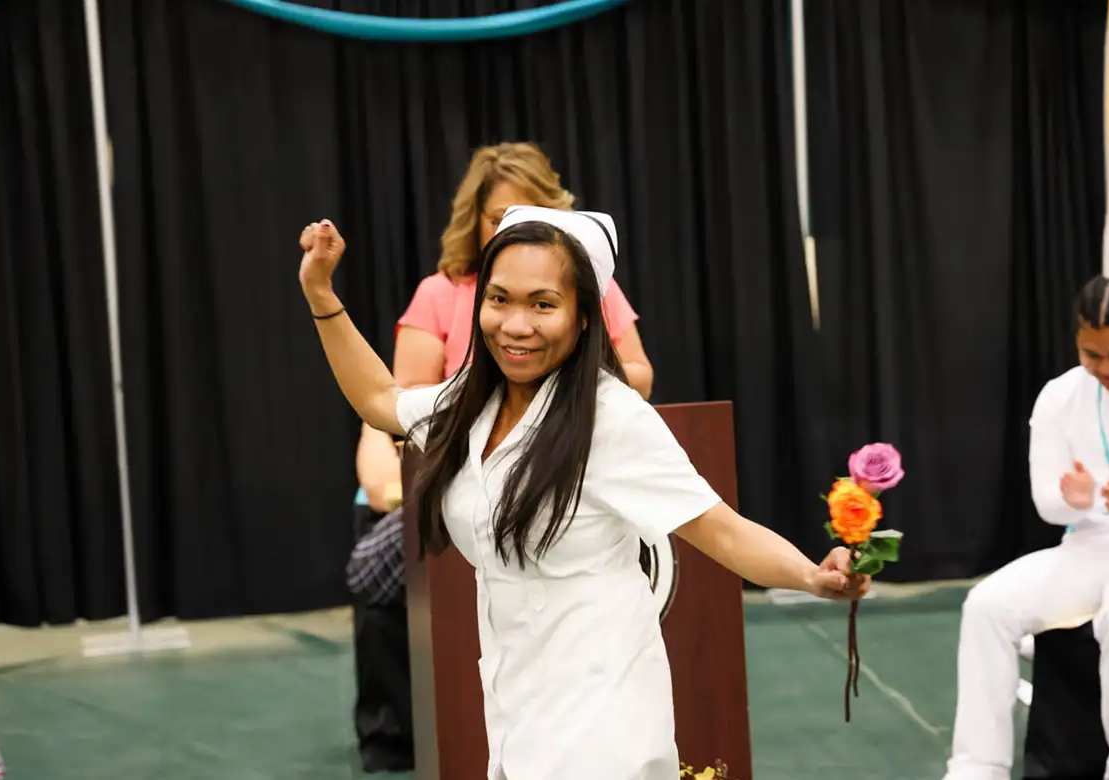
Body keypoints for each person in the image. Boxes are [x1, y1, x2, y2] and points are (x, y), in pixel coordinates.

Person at [298, 207, 868, 780]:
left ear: (584, 318)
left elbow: (719, 528)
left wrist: (812, 576)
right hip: (514, 685)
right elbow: (379, 399)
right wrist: (320, 291)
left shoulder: (612, 418)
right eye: (499, 299)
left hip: (602, 696)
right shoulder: (472, 400)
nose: (515, 324)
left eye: (542, 304)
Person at [354, 141, 652, 515]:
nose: (516, 229)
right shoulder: (438, 293)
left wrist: (556, 387)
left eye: (542, 305)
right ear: (472, 221)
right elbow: (407, 403)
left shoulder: (592, 289)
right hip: (457, 485)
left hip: (566, 473)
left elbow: (640, 376)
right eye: (500, 218)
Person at [942, 274, 1109, 780]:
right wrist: (1073, 501)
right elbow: (1048, 506)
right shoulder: (1060, 396)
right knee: (987, 605)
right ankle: (976, 767)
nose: (1107, 369)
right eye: (1093, 354)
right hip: (1086, 550)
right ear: (1076, 341)